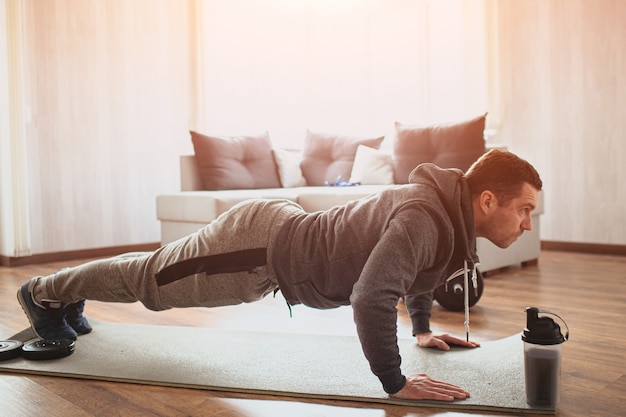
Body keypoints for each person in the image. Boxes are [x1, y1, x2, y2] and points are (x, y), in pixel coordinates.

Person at [17, 148, 542, 402]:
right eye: (524, 210)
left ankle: (64, 297)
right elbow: (372, 297)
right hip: (254, 249)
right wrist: (395, 383)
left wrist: (423, 330)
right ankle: (42, 292)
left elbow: (414, 273)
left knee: (149, 278)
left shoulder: (445, 218)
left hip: (272, 244)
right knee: (150, 282)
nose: (526, 223)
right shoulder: (424, 216)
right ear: (487, 198)